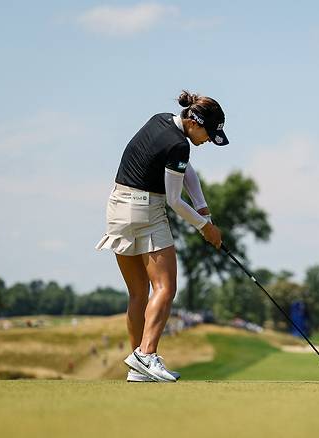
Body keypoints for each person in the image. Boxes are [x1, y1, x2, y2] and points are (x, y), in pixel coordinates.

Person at [95, 90, 227, 382]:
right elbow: (174, 200)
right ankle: (147, 354)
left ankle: (138, 366)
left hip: (117, 207)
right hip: (147, 211)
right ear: (194, 122)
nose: (207, 141)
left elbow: (184, 170)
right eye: (208, 134)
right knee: (165, 288)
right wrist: (206, 227)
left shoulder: (161, 122)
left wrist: (204, 208)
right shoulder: (180, 145)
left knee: (138, 293)